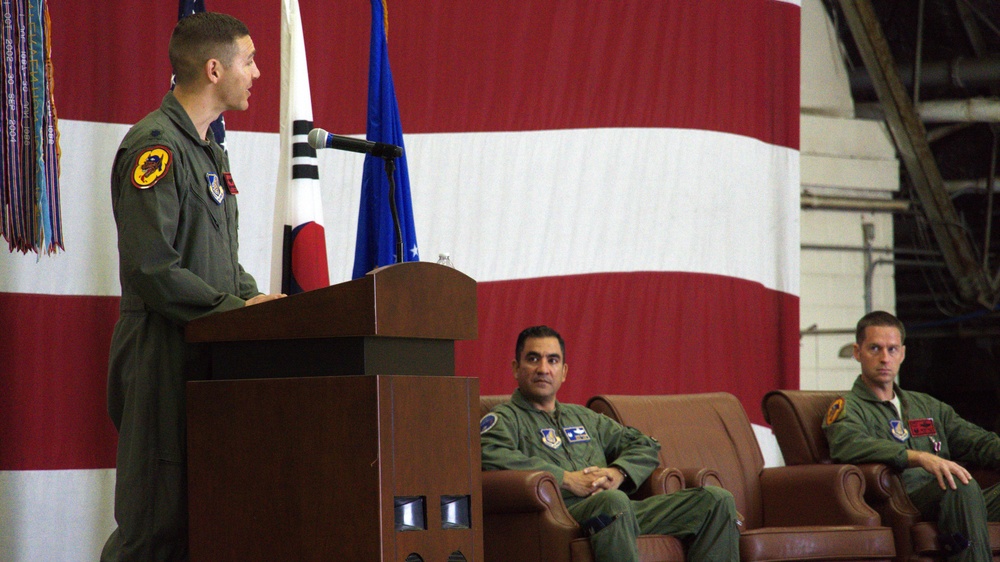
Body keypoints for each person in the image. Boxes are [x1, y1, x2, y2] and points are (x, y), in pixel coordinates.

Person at [101, 12, 285, 561]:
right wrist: (236, 310)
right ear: (213, 69)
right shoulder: (155, 148)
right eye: (248, 60)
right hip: (162, 353)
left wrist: (256, 303)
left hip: (206, 349)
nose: (257, 73)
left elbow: (220, 263)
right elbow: (151, 268)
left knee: (201, 523)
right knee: (154, 526)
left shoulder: (209, 151)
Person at [480, 325, 740, 561]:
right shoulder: (504, 419)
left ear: (564, 372)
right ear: (516, 368)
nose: (543, 368)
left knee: (716, 501)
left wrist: (619, 473)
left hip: (620, 511)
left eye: (553, 360)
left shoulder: (584, 417)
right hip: (563, 515)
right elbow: (489, 454)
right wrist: (566, 478)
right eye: (533, 359)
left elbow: (644, 444)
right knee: (612, 502)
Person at [823, 311, 1000, 561]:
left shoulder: (926, 406)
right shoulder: (848, 407)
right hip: (904, 499)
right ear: (857, 352)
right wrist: (919, 457)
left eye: (892, 349)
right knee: (958, 483)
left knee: (960, 486)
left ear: (903, 354)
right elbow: (848, 445)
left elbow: (979, 442)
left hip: (956, 498)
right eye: (875, 348)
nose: (885, 358)